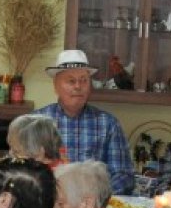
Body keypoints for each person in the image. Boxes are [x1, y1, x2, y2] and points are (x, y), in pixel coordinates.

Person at [36, 49, 134, 194]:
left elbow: (124, 176)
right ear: (55, 86)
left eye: (84, 80)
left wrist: (94, 195)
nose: (78, 86)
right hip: (49, 201)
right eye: (71, 81)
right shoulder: (37, 123)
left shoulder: (108, 124)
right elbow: (23, 172)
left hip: (93, 203)